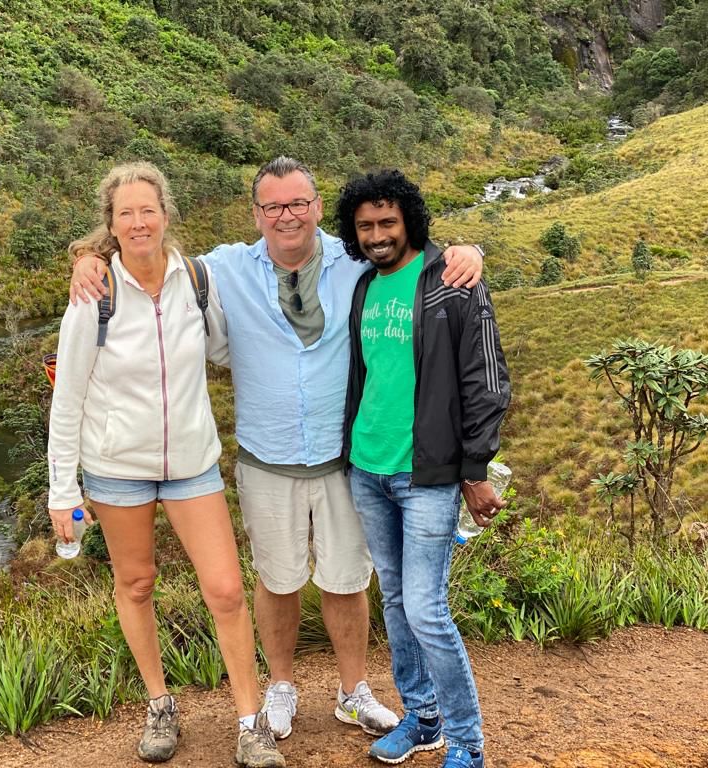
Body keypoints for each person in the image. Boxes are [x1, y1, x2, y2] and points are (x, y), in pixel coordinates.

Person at [69, 157, 484, 744]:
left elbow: (412, 256)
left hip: (345, 458)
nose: (286, 216)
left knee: (347, 578)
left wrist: (468, 252)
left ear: (318, 207)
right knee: (276, 579)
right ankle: (281, 687)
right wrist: (87, 261)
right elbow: (148, 258)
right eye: (273, 207)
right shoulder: (223, 269)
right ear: (256, 214)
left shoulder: (353, 261)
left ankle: (352, 691)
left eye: (298, 204)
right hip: (266, 458)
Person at [48, 161, 285, 768]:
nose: (138, 222)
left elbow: (230, 351)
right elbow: (68, 396)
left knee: (227, 590)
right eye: (125, 213)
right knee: (136, 583)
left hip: (191, 464)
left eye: (146, 210)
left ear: (165, 214)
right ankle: (160, 703)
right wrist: (61, 488)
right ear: (112, 224)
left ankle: (250, 720)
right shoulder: (92, 296)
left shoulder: (196, 282)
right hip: (115, 468)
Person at [337, 169, 510, 768]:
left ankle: (467, 741)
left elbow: (485, 382)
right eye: (365, 226)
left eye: (387, 222)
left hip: (427, 474)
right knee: (394, 599)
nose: (377, 235)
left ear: (409, 219)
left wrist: (475, 467)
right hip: (366, 468)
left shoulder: (452, 282)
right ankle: (424, 718)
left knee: (426, 608)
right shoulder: (363, 286)